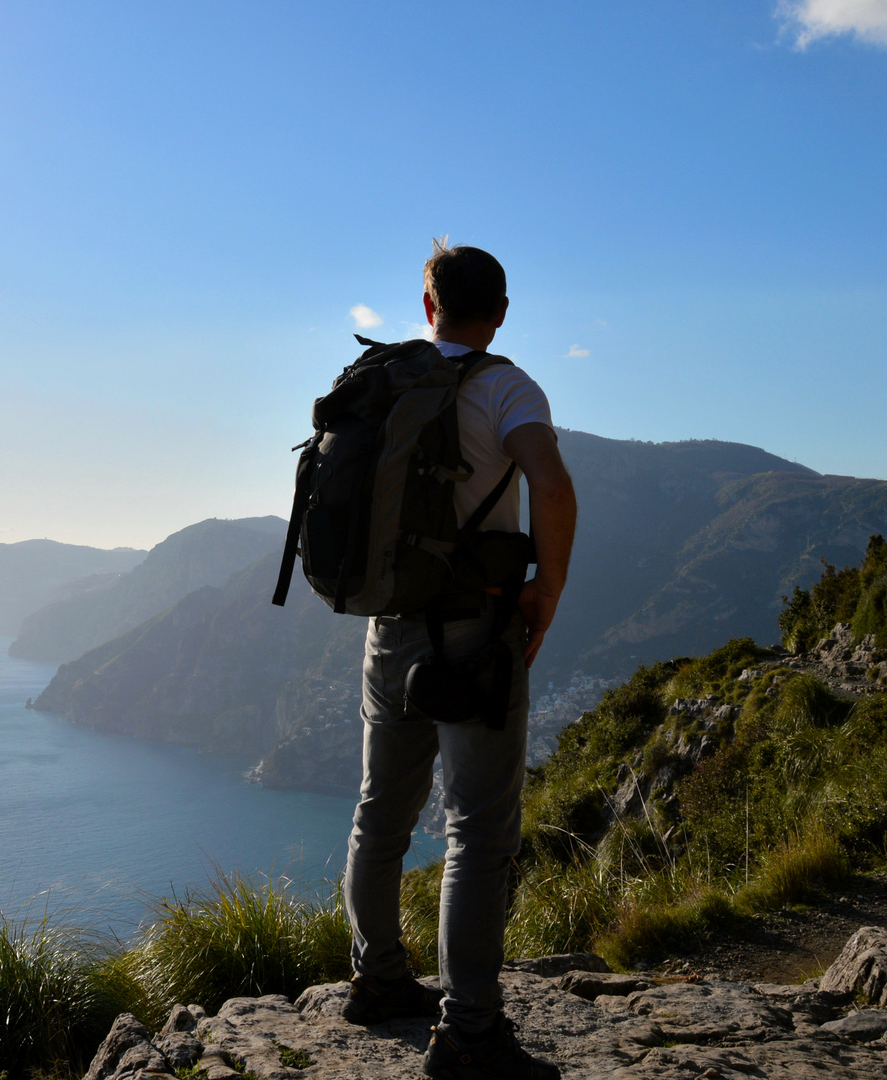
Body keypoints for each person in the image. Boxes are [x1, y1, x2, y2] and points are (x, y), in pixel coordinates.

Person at [340, 241, 577, 1080]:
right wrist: (546, 589)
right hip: (474, 626)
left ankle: (376, 981)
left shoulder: (385, 380)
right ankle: (468, 1031)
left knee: (381, 814)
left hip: (388, 625)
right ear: (501, 312)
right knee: (477, 832)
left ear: (428, 303)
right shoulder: (506, 385)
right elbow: (550, 486)